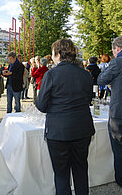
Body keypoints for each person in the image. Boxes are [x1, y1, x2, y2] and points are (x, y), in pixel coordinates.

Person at [36, 39, 95, 195]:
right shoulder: (85, 74)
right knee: (81, 169)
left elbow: (41, 105)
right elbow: (88, 99)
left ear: (58, 54)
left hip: (58, 131)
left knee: (61, 174)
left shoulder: (51, 74)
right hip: (82, 129)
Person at [97, 36, 122, 187]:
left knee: (118, 149)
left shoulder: (117, 61)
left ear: (117, 49)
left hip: (119, 114)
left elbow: (101, 80)